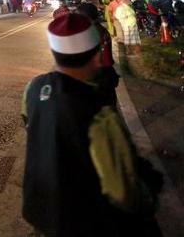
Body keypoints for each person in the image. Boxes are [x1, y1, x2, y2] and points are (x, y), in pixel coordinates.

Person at [21, 13, 162, 236]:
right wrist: (148, 198)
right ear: (96, 57)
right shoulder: (98, 113)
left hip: (41, 213)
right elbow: (122, 192)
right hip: (84, 223)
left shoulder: (34, 88)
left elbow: (29, 122)